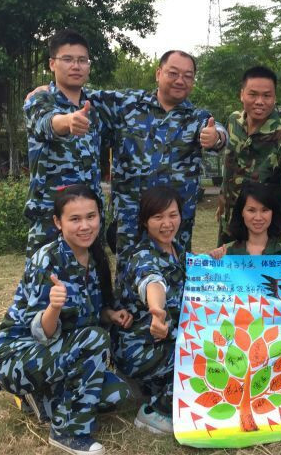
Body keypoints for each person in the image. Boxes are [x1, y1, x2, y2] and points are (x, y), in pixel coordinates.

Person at [0, 184, 132, 455]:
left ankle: (40, 398)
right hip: (19, 356)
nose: (85, 226)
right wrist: (54, 307)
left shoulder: (95, 258)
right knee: (95, 338)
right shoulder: (47, 259)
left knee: (117, 393)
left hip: (58, 353)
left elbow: (86, 311)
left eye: (91, 216)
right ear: (58, 222)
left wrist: (110, 315)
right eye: (75, 219)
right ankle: (68, 432)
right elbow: (41, 333)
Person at [92, 50, 227, 284]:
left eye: (188, 76)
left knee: (174, 276)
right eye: (173, 73)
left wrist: (215, 137)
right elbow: (80, 97)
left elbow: (219, 134)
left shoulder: (197, 117)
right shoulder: (127, 104)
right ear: (158, 74)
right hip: (132, 216)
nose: (180, 80)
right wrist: (49, 91)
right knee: (129, 278)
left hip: (174, 221)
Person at [23, 29, 107, 257]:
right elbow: (46, 123)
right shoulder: (40, 99)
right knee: (47, 277)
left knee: (90, 276)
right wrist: (68, 121)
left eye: (82, 60)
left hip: (89, 220)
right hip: (51, 218)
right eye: (68, 59)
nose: (76, 66)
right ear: (52, 64)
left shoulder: (97, 104)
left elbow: (135, 103)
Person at [112, 186, 185, 435]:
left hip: (166, 339)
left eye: (173, 215)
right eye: (158, 217)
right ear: (145, 221)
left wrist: (215, 257)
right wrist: (156, 310)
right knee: (200, 355)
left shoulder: (178, 251)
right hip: (140, 346)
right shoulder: (142, 256)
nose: (167, 223)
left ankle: (153, 387)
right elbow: (152, 282)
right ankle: (157, 411)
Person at [217, 66, 281, 245]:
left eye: (267, 95)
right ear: (242, 94)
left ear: (274, 98)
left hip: (262, 227)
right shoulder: (234, 120)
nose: (260, 101)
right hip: (229, 218)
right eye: (253, 94)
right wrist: (222, 199)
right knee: (225, 261)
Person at [209, 181, 281, 257]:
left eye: (264, 210)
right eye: (251, 210)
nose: (258, 218)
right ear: (242, 212)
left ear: (273, 213)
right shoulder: (228, 253)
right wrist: (214, 260)